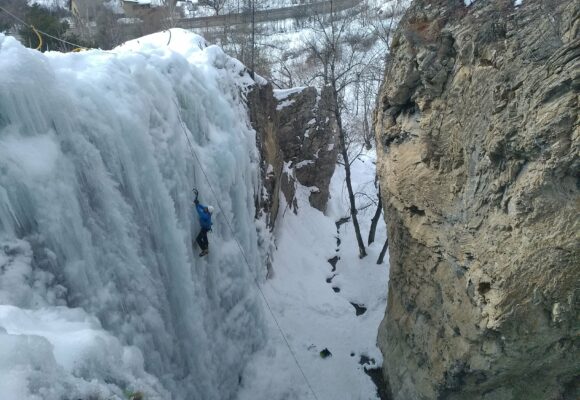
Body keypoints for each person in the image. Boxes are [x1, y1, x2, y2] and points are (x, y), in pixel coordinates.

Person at [193, 189, 214, 257]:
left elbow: (199, 211)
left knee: (198, 239)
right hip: (207, 227)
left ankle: (204, 250)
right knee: (204, 236)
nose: (205, 208)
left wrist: (196, 205)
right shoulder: (208, 211)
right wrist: (198, 203)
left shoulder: (205, 216)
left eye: (206, 209)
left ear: (208, 211)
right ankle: (206, 247)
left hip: (205, 228)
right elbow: (202, 207)